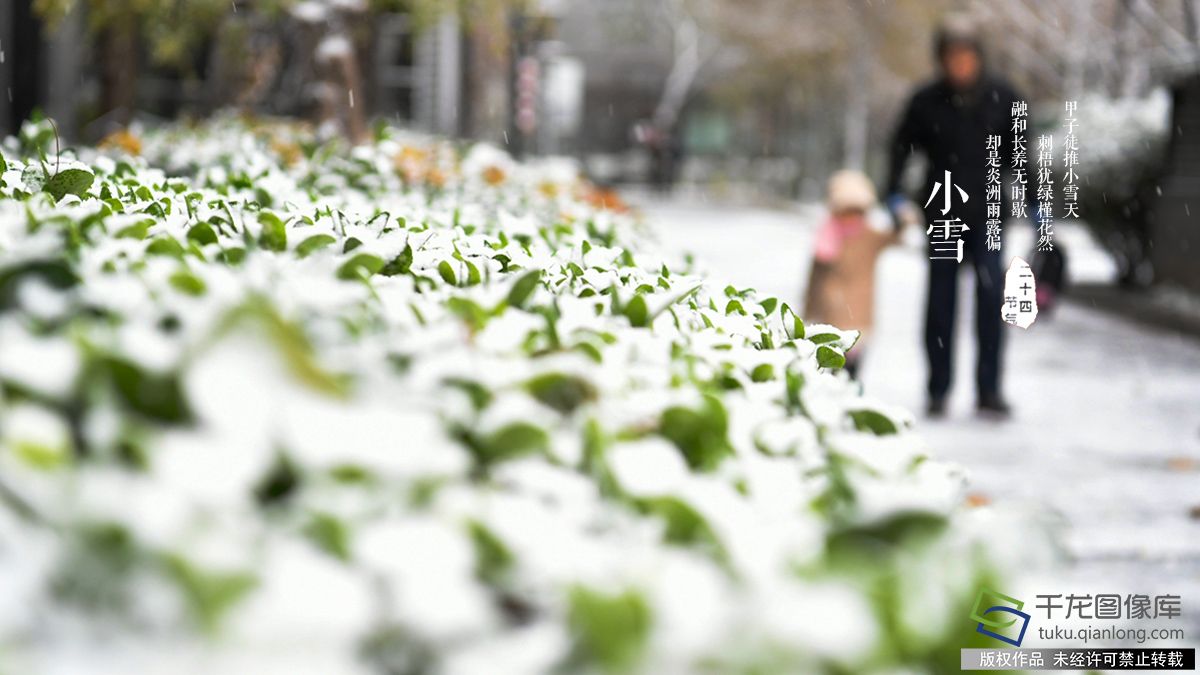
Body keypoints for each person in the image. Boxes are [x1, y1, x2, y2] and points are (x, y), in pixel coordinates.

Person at [885, 14, 1029, 418]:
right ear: (941, 59)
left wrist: (1035, 204)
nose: (960, 64)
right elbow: (900, 148)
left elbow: (1022, 158)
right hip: (943, 212)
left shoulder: (1006, 97)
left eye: (967, 56)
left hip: (988, 217)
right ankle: (938, 389)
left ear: (979, 57)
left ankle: (988, 390)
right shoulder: (925, 100)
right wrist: (894, 194)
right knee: (941, 305)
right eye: (952, 57)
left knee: (989, 303)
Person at [804, 170, 905, 380]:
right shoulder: (826, 237)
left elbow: (895, 237)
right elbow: (814, 280)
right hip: (831, 313)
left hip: (860, 315)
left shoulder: (870, 236)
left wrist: (901, 219)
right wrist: (809, 311)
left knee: (853, 370)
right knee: (831, 369)